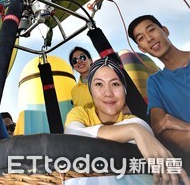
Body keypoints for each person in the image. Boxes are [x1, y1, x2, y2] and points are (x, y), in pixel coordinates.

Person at [65, 56, 189, 184]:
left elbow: (144, 133)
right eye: (99, 84)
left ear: (124, 91)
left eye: (115, 84)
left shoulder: (137, 123)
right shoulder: (79, 113)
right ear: (91, 90)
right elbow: (72, 135)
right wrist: (132, 131)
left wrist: (135, 129)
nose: (108, 93)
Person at [128, 15, 190, 155]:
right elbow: (160, 128)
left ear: (165, 31)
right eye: (141, 38)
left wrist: (185, 127)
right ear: (141, 49)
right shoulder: (155, 82)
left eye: (151, 30)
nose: (149, 38)